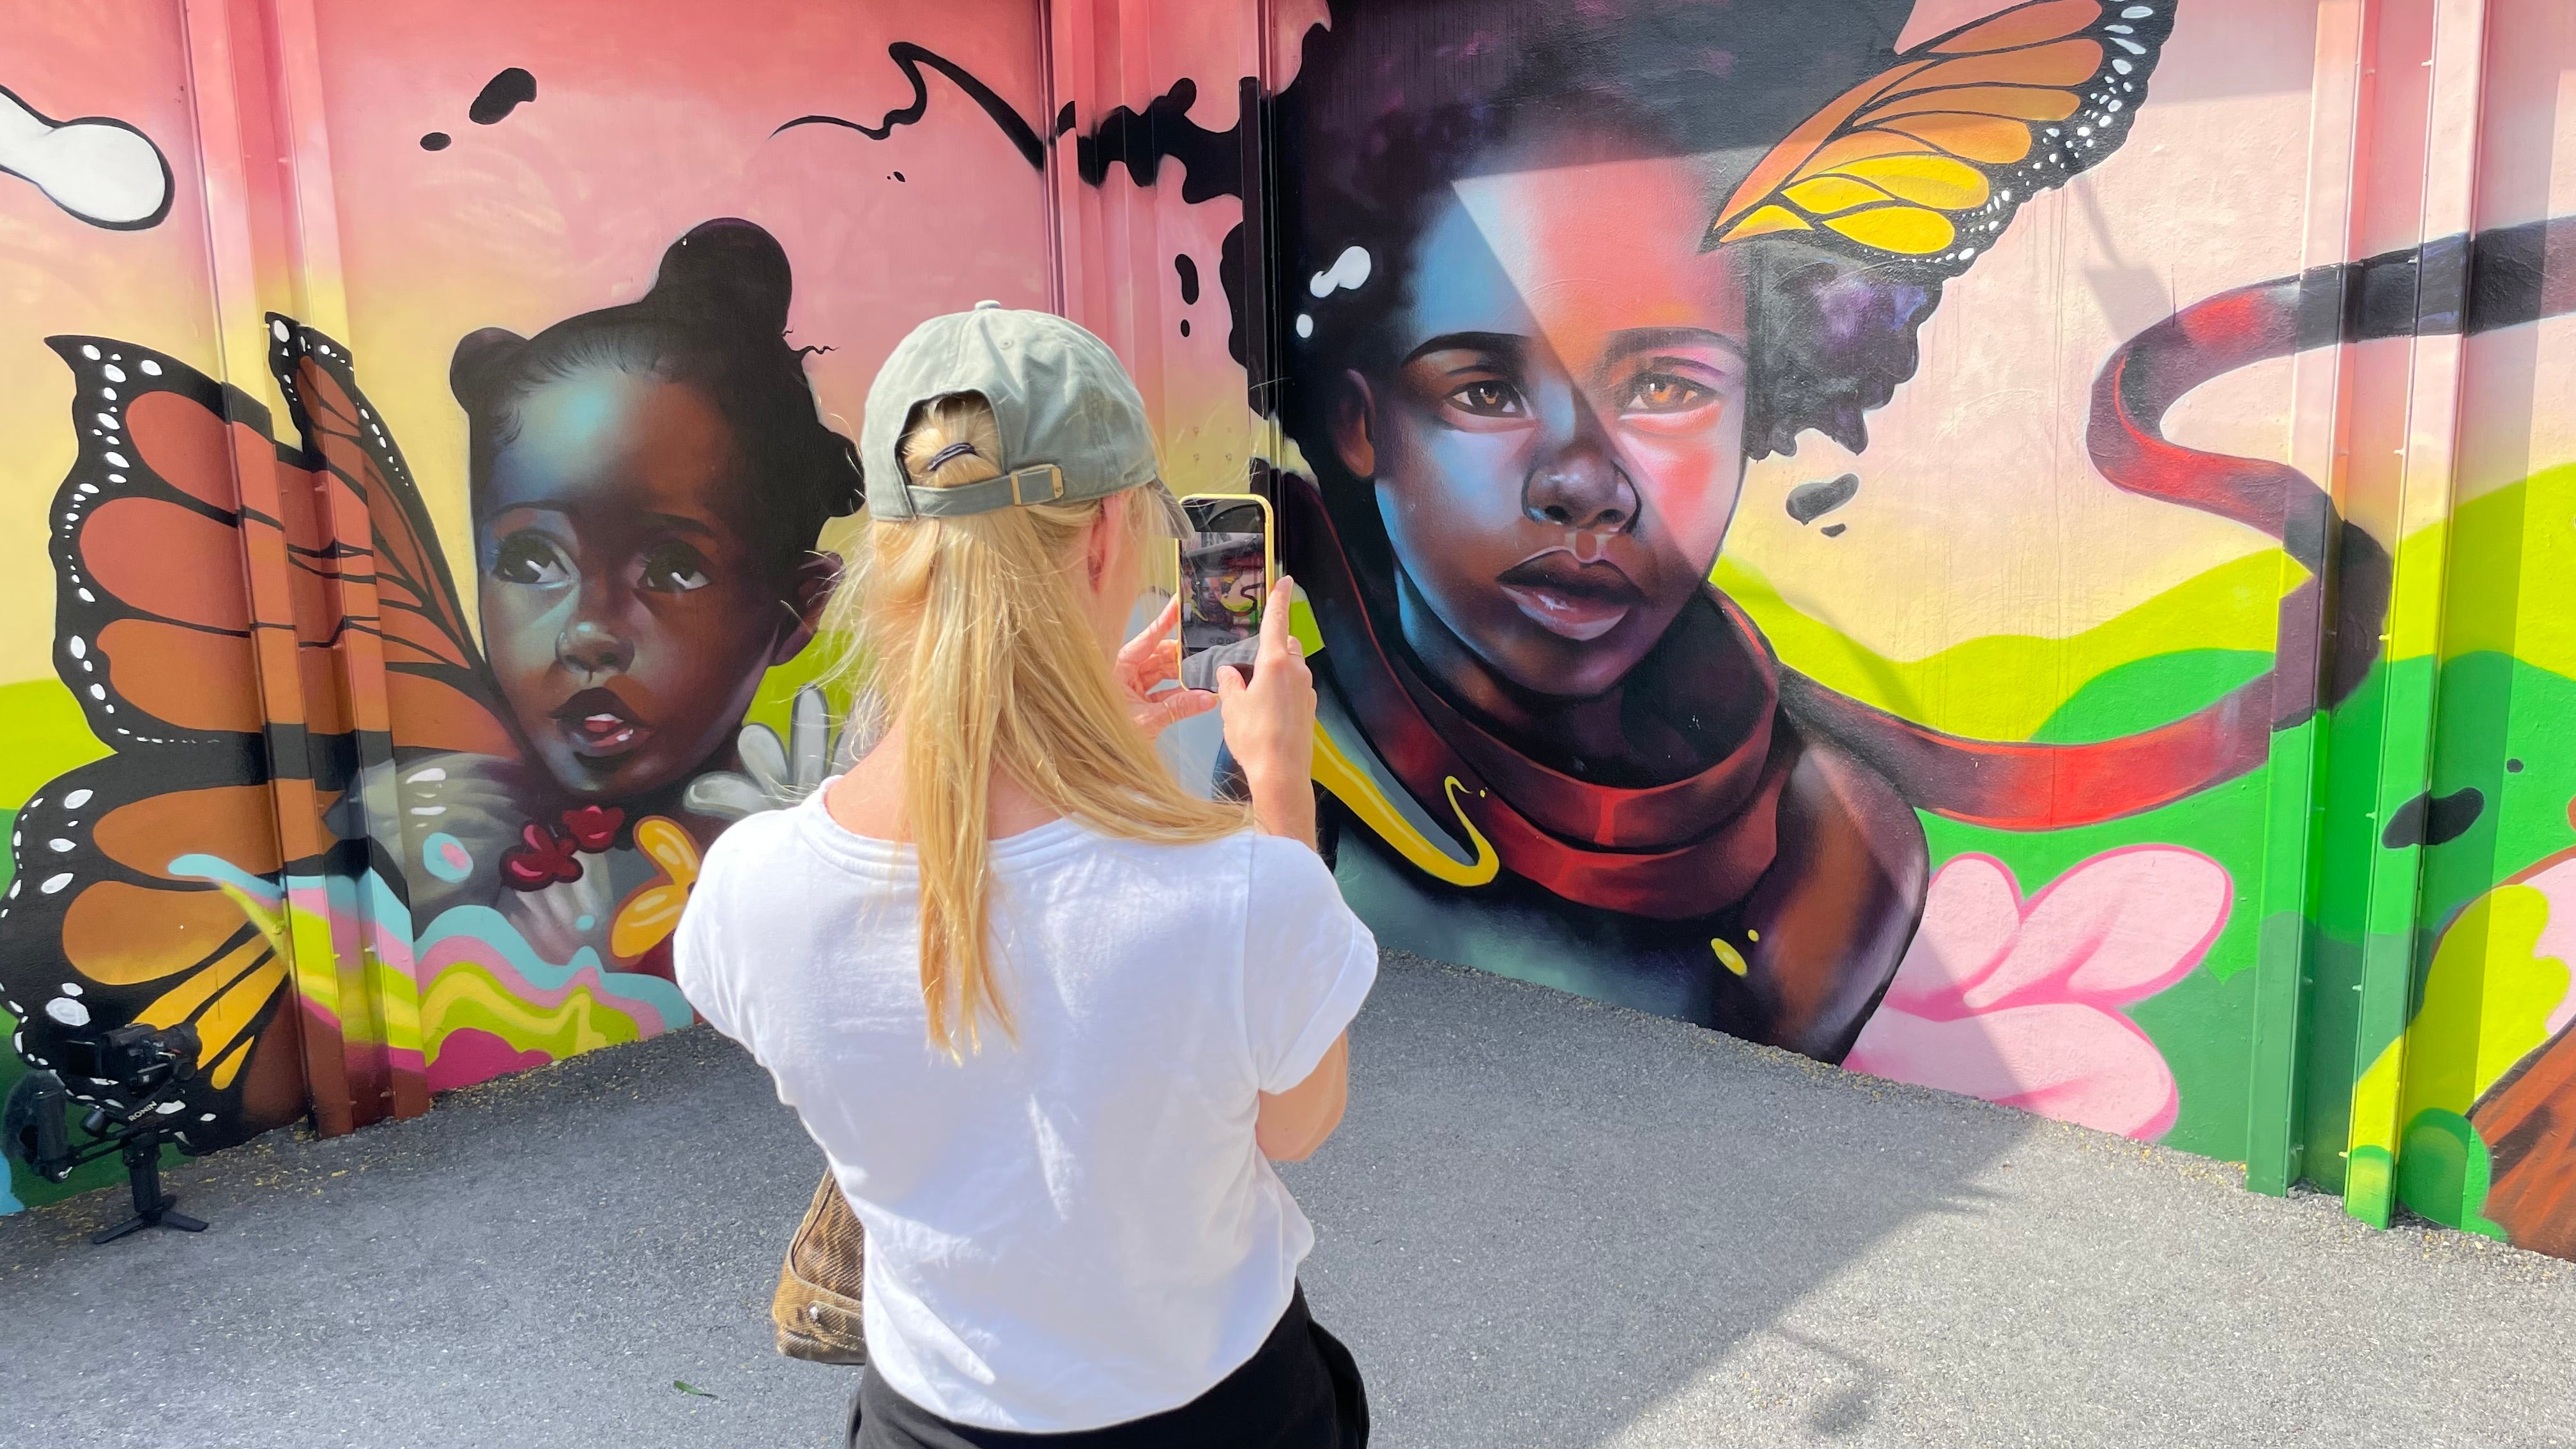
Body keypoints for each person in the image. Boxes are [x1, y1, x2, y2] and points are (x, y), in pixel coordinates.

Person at [676, 303, 1376, 1447]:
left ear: (892, 549)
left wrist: (1074, 730)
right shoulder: (1244, 890)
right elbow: (1298, 1121)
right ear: (1108, 536)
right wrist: (1278, 785)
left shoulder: (750, 891)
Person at [397, 217, 862, 972]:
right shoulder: (439, 840)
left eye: (675, 567)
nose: (586, 633)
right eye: (528, 558)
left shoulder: (818, 835)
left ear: (796, 609)